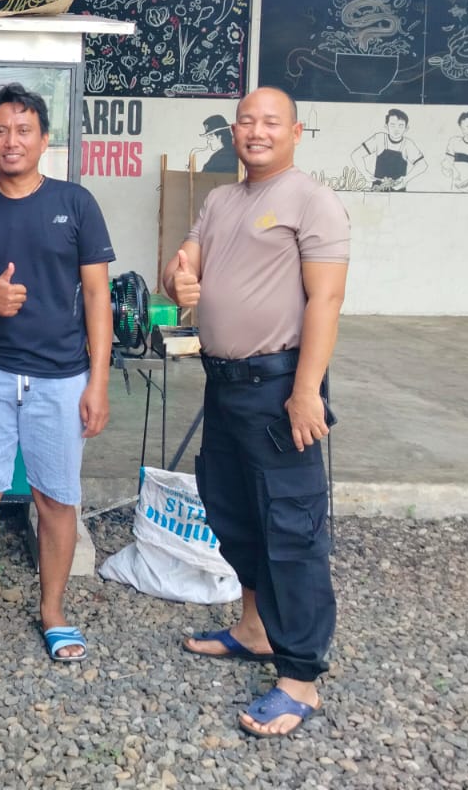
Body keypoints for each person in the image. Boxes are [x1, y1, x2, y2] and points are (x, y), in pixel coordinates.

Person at [162, 86, 349, 739]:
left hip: (280, 388)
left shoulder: (311, 200)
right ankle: (254, 629)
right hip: (224, 386)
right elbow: (184, 266)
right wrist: (178, 277)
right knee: (233, 512)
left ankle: (300, 678)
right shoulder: (220, 200)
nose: (256, 130)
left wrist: (307, 390)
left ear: (296, 132)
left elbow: (326, 301)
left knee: (292, 530)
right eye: (246, 120)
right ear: (234, 132)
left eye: (271, 121)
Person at [0, 84, 114, 675]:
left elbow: (97, 295)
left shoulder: (76, 203)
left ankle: (53, 612)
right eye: (1, 131)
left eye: (24, 130)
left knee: (57, 501)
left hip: (61, 379)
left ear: (44, 139)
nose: (12, 141)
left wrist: (99, 382)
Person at [351, 108, 425, 190]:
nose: (396, 129)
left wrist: (405, 179)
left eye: (401, 126)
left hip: (398, 190)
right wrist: (365, 174)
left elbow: (422, 164)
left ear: (406, 128)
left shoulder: (408, 144)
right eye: (392, 125)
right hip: (377, 189)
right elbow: (356, 155)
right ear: (386, 126)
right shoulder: (379, 138)